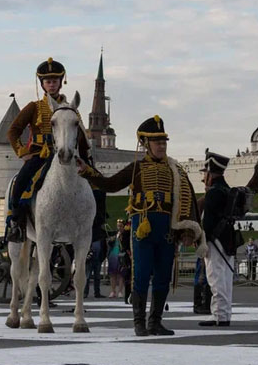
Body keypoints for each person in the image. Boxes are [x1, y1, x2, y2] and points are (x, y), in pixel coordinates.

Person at [79, 115, 203, 336]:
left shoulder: (176, 170)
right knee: (142, 273)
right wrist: (88, 172)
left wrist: (186, 230)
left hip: (166, 227)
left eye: (164, 142)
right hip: (143, 224)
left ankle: (155, 321)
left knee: (164, 274)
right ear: (146, 144)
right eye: (157, 142)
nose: (162, 146)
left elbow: (187, 199)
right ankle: (139, 322)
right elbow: (111, 183)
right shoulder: (136, 167)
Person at [5, 58, 90, 243]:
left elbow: (81, 134)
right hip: (41, 156)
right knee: (21, 182)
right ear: (42, 84)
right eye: (48, 81)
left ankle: (95, 224)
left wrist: (87, 157)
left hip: (67, 154)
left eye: (54, 81)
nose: (51, 85)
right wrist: (22, 152)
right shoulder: (34, 107)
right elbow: (12, 131)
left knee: (95, 183)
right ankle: (17, 223)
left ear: (61, 82)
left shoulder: (71, 109)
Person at [198, 150, 234, 327]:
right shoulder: (226, 190)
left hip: (215, 239)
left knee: (215, 277)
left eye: (205, 173)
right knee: (225, 278)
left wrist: (202, 238)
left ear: (210, 173)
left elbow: (209, 221)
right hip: (227, 237)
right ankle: (224, 313)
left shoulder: (214, 193)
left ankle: (219, 315)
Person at [85, 189, 107, 299]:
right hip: (90, 254)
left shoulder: (98, 231)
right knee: (88, 275)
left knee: (95, 275)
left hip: (96, 255)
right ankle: (86, 292)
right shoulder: (94, 229)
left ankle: (95, 293)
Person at [107, 219, 124, 298]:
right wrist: (114, 237)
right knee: (112, 274)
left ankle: (120, 291)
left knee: (121, 274)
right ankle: (113, 291)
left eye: (121, 226)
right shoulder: (114, 234)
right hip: (113, 254)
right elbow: (109, 241)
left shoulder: (125, 234)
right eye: (118, 226)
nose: (119, 228)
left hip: (121, 255)